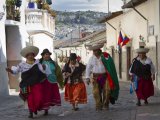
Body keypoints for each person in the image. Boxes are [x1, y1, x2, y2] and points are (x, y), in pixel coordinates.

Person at [6, 46, 46, 118]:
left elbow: (42, 71)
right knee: (29, 99)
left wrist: (44, 68)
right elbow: (16, 71)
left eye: (31, 54)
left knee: (39, 98)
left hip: (36, 84)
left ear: (34, 55)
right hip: (26, 84)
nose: (30, 56)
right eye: (28, 55)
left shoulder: (37, 63)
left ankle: (35, 108)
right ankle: (31, 112)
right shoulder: (22, 64)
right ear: (26, 56)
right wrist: (11, 71)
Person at [86, 44, 119, 111]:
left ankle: (105, 104)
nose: (94, 52)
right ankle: (98, 105)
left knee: (107, 91)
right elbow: (88, 68)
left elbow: (110, 65)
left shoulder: (105, 56)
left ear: (99, 50)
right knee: (96, 92)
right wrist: (87, 77)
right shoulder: (91, 59)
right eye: (93, 51)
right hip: (96, 78)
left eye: (96, 51)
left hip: (105, 77)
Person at [39, 49, 64, 115]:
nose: (47, 55)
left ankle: (48, 108)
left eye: (48, 54)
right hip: (44, 81)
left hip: (53, 81)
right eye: (45, 54)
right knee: (45, 95)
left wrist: (60, 81)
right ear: (43, 56)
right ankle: (45, 109)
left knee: (52, 95)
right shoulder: (40, 63)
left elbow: (58, 72)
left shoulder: (54, 63)